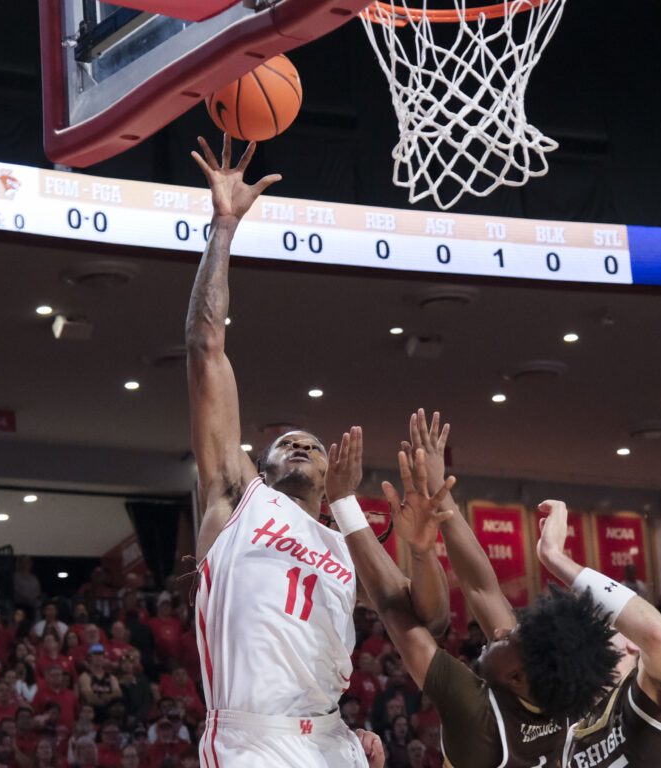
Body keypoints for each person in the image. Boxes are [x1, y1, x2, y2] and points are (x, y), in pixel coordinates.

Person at [185, 133, 435, 767]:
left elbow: (423, 613)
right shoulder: (235, 502)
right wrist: (223, 226)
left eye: (313, 445)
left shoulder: (345, 545)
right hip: (252, 739)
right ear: (260, 468)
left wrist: (422, 545)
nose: (298, 444)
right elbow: (205, 347)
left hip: (332, 738)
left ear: (331, 477)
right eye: (285, 442)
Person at [329, 423, 618, 768]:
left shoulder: (478, 719)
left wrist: (342, 500)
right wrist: (438, 488)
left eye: (509, 638)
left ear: (517, 678)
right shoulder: (548, 693)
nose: (501, 630)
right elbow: (483, 588)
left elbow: (394, 609)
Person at [533, 499, 661, 768]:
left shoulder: (656, 690)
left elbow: (658, 636)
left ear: (632, 642)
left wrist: (555, 558)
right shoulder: (572, 737)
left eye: (596, 623)